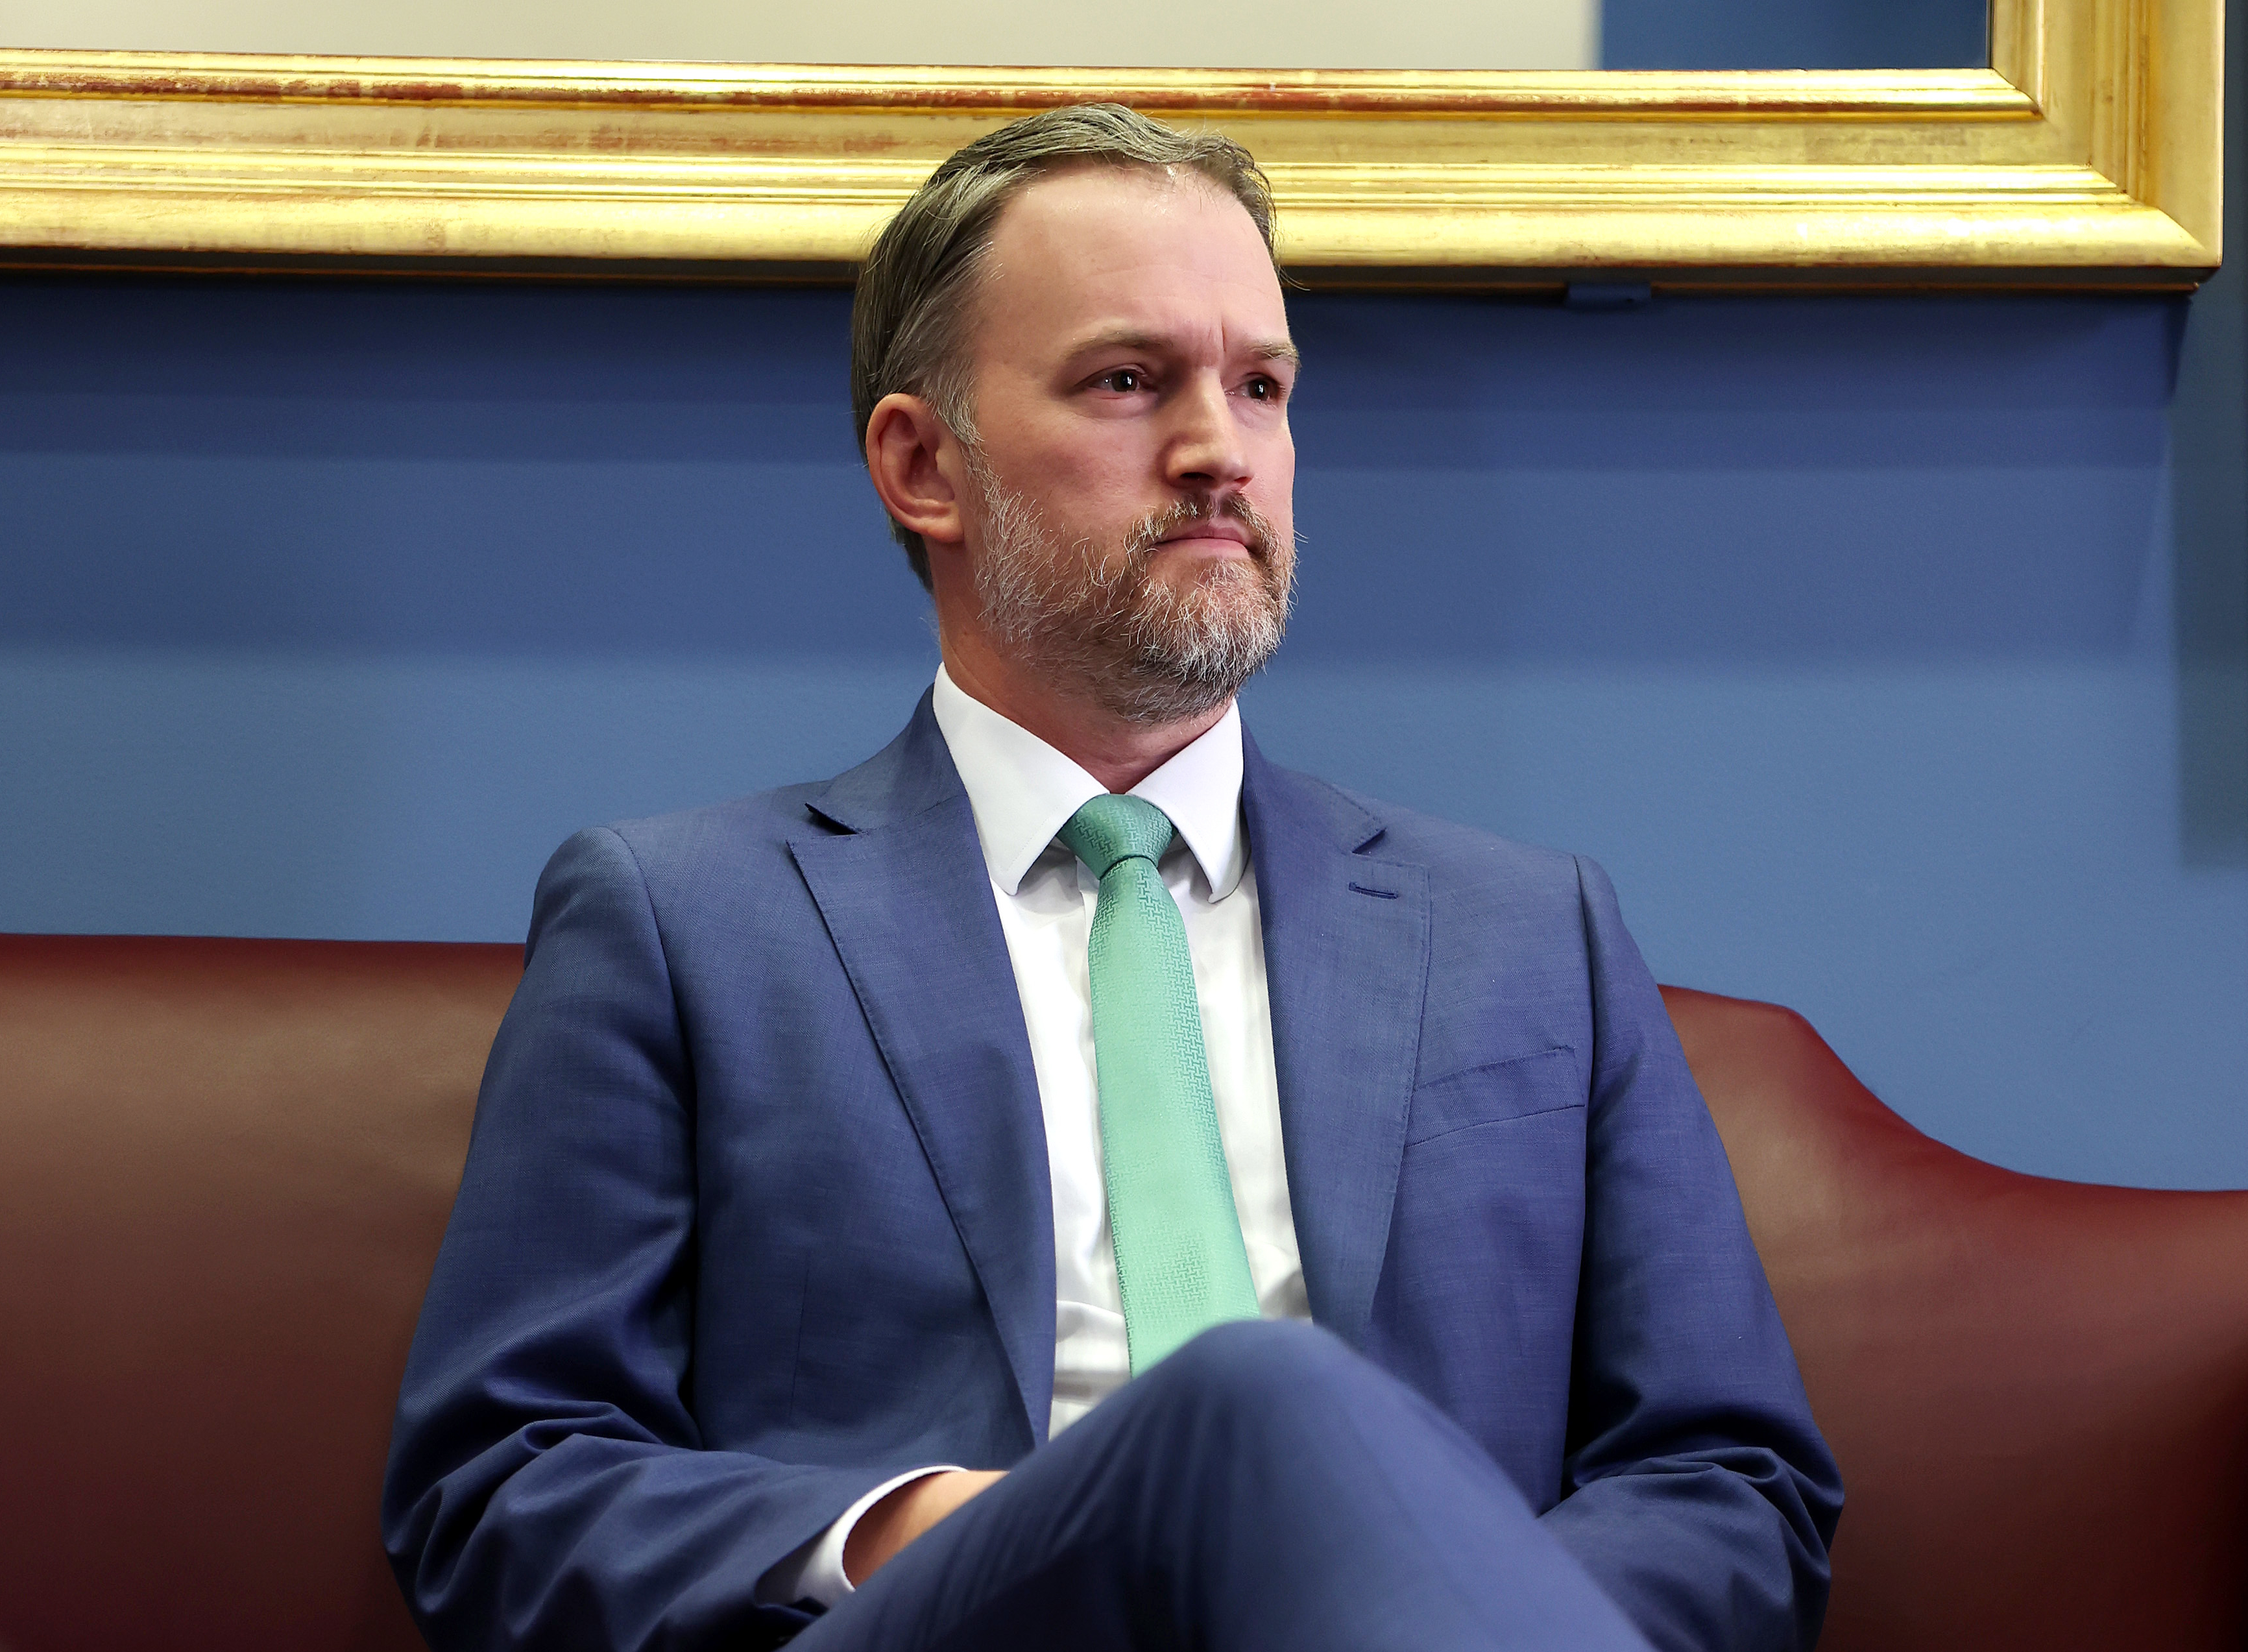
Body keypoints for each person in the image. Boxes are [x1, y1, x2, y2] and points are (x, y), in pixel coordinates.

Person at [383, 103, 1841, 1652]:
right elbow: (501, 1494)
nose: (1222, 449)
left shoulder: (1531, 935)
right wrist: (929, 1525)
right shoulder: (684, 924)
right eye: (1130, 380)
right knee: (1251, 1396)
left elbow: (1730, 1482)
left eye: (1262, 386)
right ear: (922, 463)